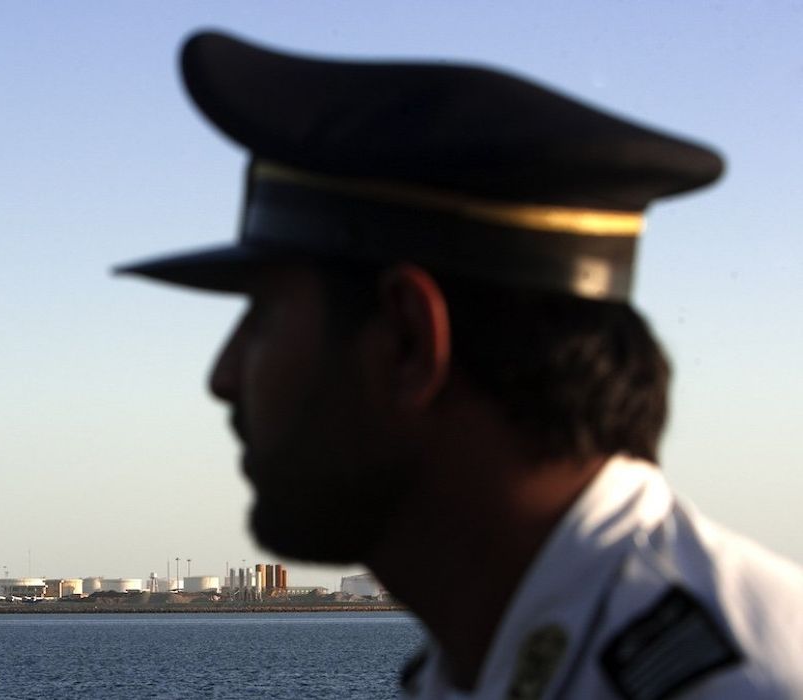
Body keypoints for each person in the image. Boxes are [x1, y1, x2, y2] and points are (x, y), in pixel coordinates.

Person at [117, 32, 803, 699]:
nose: (223, 376)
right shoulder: (486, 662)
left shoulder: (742, 682)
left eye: (261, 319)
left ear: (409, 343)